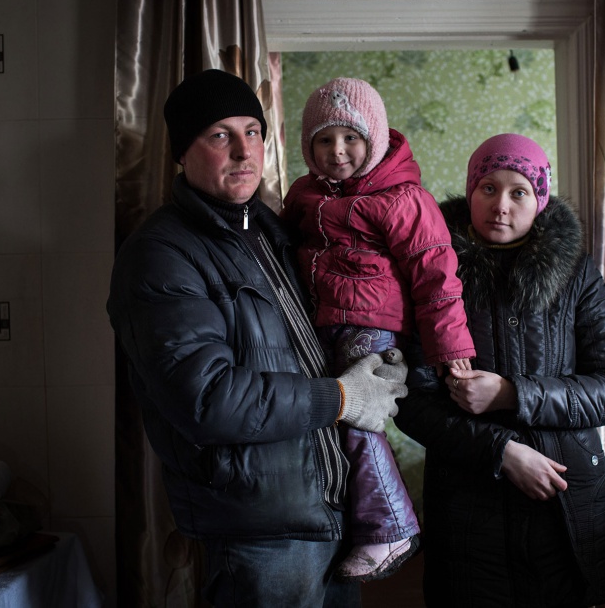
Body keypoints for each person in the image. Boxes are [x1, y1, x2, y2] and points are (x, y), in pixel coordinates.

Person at [107, 69, 410, 607]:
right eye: (220, 135)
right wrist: (343, 397)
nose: (244, 151)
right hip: (259, 530)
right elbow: (206, 398)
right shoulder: (161, 254)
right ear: (183, 151)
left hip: (330, 511)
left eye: (252, 131)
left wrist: (383, 363)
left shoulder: (272, 230)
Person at [394, 133, 605, 606]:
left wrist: (511, 394)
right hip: (468, 513)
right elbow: (409, 401)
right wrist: (500, 451)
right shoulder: (428, 272)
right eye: (488, 188)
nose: (500, 205)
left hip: (566, 507)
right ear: (470, 191)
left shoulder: (576, 274)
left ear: (539, 199)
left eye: (518, 191)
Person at [282, 77, 475, 582]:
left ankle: (392, 527)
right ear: (309, 146)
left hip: (374, 323)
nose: (337, 151)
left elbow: (437, 277)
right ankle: (349, 519)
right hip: (319, 322)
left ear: (374, 140)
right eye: (324, 140)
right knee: (318, 413)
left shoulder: (403, 197)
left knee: (358, 416)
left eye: (350, 138)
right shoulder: (303, 194)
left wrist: (449, 348)